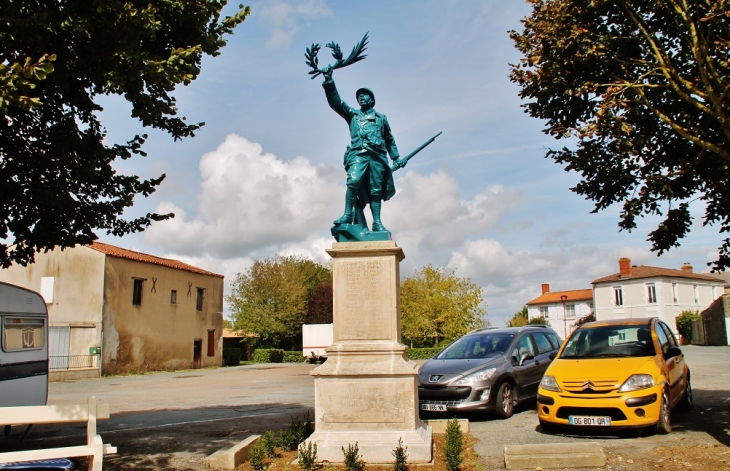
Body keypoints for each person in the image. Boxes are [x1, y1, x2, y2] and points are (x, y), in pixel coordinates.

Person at [321, 67, 407, 232]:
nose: (361, 96)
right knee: (353, 181)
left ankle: (377, 222)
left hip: (378, 156)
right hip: (358, 154)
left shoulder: (381, 118)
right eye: (359, 95)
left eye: (365, 94)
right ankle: (347, 214)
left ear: (372, 99)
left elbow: (389, 139)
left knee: (376, 190)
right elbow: (336, 102)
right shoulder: (352, 114)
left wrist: (396, 158)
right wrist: (329, 81)